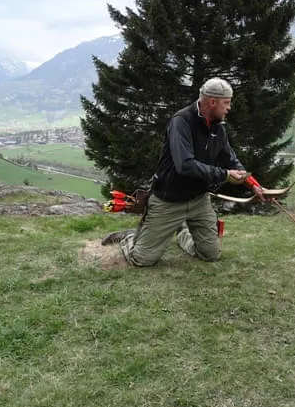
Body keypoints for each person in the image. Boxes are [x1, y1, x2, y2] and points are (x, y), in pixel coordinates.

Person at [113, 77, 264, 266]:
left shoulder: (218, 128)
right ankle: (130, 237)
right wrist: (224, 175)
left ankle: (182, 231)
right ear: (212, 102)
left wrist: (254, 185)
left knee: (210, 254)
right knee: (142, 259)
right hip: (168, 200)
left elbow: (230, 159)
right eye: (226, 103)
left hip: (199, 200)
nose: (229, 108)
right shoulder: (181, 121)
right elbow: (185, 165)